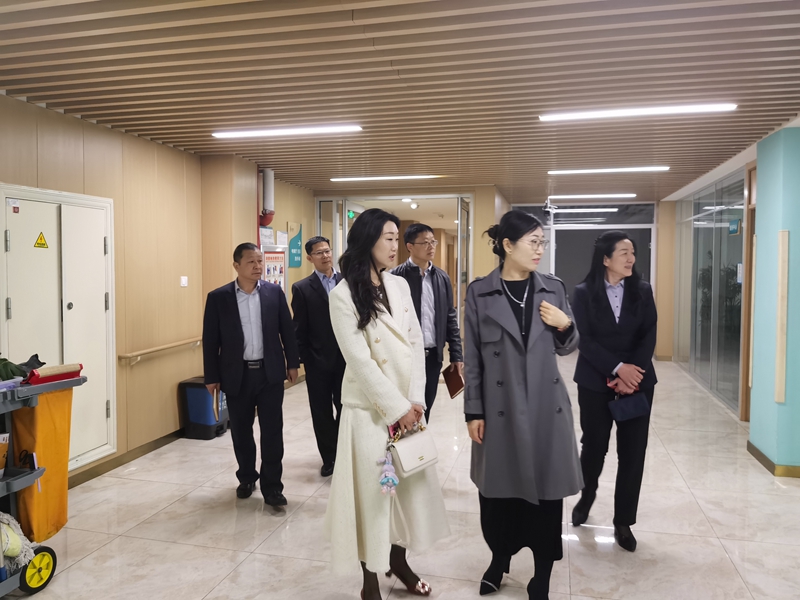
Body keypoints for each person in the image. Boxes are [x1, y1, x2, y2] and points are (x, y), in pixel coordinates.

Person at [325, 209, 450, 600]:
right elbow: (360, 362)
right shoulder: (343, 295)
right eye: (389, 238)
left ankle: (399, 562)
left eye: (397, 238)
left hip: (406, 409)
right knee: (375, 497)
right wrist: (397, 409)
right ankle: (370, 582)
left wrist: (415, 401)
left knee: (405, 493)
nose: (396, 246)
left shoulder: (398, 286)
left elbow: (415, 343)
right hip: (369, 413)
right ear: (368, 241)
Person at [464, 210, 582, 600]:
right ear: (507, 245)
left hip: (547, 410)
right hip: (500, 410)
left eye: (542, 242)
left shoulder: (553, 288)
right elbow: (473, 358)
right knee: (498, 498)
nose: (539, 249)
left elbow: (567, 347)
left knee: (547, 499)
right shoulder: (480, 292)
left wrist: (565, 324)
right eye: (533, 242)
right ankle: (499, 560)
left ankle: (541, 576)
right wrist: (473, 410)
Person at [570, 231, 658, 553]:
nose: (631, 258)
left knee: (633, 453)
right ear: (606, 259)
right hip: (595, 382)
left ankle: (623, 521)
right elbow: (584, 339)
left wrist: (631, 373)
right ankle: (587, 495)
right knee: (594, 446)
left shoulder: (642, 290)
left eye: (632, 252)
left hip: (637, 383)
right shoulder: (583, 293)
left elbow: (648, 335)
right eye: (624, 253)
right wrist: (617, 368)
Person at [202, 242, 300, 507]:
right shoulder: (219, 297)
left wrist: (292, 363)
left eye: (260, 261)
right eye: (251, 262)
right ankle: (246, 477)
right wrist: (211, 376)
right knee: (241, 431)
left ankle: (273, 487)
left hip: (269, 374)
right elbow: (210, 340)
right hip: (237, 375)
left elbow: (287, 330)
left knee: (272, 431)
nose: (258, 266)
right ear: (236, 265)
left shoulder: (273, 293)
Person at [391, 223, 463, 423]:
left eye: (433, 242)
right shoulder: (395, 277)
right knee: (404, 410)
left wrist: (456, 354)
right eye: (425, 243)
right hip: (406, 357)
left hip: (432, 356)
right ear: (410, 246)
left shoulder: (442, 278)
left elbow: (450, 317)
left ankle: (420, 443)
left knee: (425, 409)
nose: (431, 247)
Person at [291, 236, 345, 477]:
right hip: (318, 362)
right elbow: (299, 329)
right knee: (321, 412)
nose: (325, 255)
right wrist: (303, 360)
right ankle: (330, 458)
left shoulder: (348, 282)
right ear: (309, 258)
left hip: (347, 361)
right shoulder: (302, 288)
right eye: (319, 252)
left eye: (327, 250)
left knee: (346, 408)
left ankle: (344, 453)